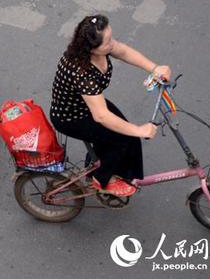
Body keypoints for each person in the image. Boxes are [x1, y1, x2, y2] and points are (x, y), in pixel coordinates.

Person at [50, 15, 171, 197]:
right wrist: (139, 130)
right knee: (124, 139)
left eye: (111, 37)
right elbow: (101, 116)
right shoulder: (82, 73)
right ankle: (101, 178)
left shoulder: (100, 49)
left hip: (88, 104)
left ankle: (103, 167)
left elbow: (123, 52)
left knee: (125, 133)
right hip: (71, 117)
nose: (112, 44)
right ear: (92, 49)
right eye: (108, 42)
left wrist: (154, 68)